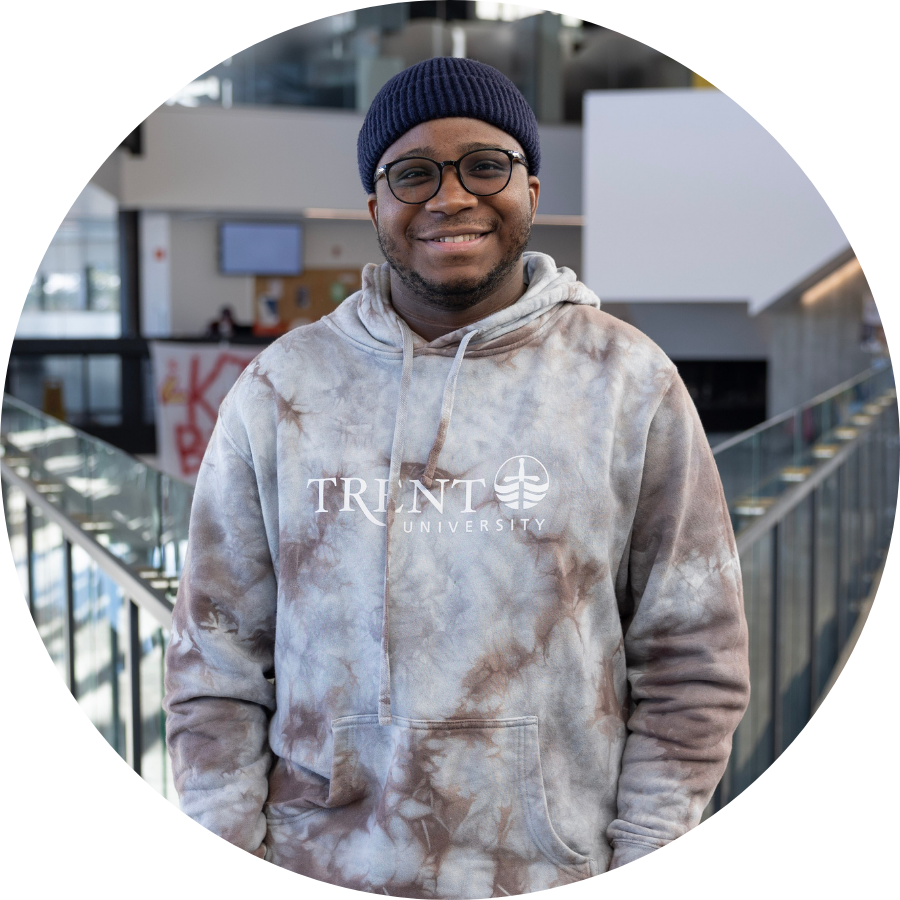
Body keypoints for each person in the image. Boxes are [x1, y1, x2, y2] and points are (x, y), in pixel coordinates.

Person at [164, 57, 750, 897]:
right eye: (413, 173)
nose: (450, 197)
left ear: (531, 191)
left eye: (484, 165)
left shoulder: (626, 381)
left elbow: (693, 659)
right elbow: (213, 661)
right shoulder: (282, 389)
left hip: (553, 870)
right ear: (375, 207)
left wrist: (646, 860)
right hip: (318, 863)